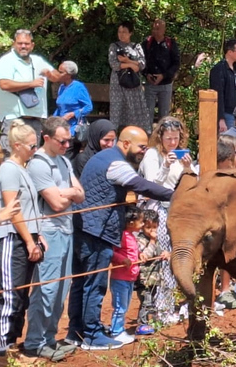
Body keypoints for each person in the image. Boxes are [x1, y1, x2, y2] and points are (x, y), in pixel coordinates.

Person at [67, 127, 174, 350]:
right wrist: (175, 195)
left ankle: (76, 331)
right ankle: (92, 335)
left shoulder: (104, 158)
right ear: (125, 143)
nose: (144, 152)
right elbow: (141, 185)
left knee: (81, 282)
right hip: (96, 230)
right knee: (93, 284)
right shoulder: (116, 163)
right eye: (141, 147)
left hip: (86, 226)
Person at [23, 116, 85, 360]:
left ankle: (49, 338)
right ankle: (34, 341)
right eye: (62, 141)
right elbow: (57, 204)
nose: (66, 145)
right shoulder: (39, 164)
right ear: (46, 138)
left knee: (61, 289)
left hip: (67, 230)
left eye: (69, 140)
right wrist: (69, 194)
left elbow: (81, 195)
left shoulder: (63, 161)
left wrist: (66, 192)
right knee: (46, 290)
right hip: (49, 231)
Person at [0, 120, 45, 366]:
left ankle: (13, 346)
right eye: (32, 146)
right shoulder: (10, 169)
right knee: (10, 296)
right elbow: (14, 211)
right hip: (11, 239)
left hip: (26, 237)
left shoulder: (22, 168)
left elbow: (29, 208)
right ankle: (2, 352)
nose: (35, 150)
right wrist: (29, 240)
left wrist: (37, 235)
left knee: (21, 296)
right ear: (17, 145)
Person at [138, 117, 193, 325]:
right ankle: (162, 309)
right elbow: (152, 185)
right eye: (169, 138)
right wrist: (166, 166)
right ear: (160, 137)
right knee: (163, 258)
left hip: (178, 210)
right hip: (157, 210)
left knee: (176, 255)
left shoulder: (182, 154)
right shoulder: (152, 155)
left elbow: (191, 181)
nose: (173, 143)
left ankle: (175, 305)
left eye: (176, 138)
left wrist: (188, 168)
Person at [0, 29, 62, 152]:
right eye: (20, 43)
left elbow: (57, 77)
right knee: (12, 157)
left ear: (32, 45)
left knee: (31, 159)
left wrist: (50, 74)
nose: (23, 46)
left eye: (26, 43)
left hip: (35, 119)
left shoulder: (38, 60)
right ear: (14, 44)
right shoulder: (6, 61)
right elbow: (4, 84)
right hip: (14, 119)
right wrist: (30, 84)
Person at [109, 206, 144, 344]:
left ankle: (118, 329)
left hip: (130, 278)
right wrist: (122, 260)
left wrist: (141, 255)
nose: (142, 225)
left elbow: (132, 252)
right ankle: (116, 331)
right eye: (140, 222)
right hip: (120, 278)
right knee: (120, 306)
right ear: (131, 223)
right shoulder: (122, 236)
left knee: (125, 305)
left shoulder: (131, 236)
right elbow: (112, 252)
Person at [109, 21, 151, 132]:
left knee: (135, 111)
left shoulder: (136, 46)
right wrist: (132, 64)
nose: (121, 34)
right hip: (118, 84)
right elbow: (114, 64)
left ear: (130, 33)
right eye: (119, 32)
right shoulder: (114, 46)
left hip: (134, 84)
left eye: (124, 32)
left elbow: (142, 65)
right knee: (117, 110)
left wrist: (127, 61)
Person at [135, 210, 168, 335]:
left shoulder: (156, 239)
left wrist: (165, 254)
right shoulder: (141, 240)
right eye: (148, 227)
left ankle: (152, 322)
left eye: (154, 227)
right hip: (144, 278)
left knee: (152, 301)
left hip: (154, 278)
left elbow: (159, 252)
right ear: (142, 226)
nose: (151, 230)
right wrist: (153, 242)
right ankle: (141, 324)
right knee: (146, 302)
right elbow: (145, 256)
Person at [142, 19, 180, 123]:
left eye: (158, 29)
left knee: (164, 116)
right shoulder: (147, 43)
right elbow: (140, 61)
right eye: (153, 28)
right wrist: (146, 74)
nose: (155, 31)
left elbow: (176, 63)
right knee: (147, 115)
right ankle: (148, 137)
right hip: (150, 84)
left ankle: (163, 137)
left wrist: (164, 76)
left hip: (165, 84)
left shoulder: (170, 43)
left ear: (164, 30)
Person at [209, 38, 236, 133]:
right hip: (227, 114)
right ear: (230, 52)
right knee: (227, 144)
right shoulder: (219, 69)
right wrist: (221, 119)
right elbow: (218, 95)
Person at [53, 61, 93, 143]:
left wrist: (73, 114)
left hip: (73, 128)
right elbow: (60, 107)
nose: (57, 74)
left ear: (69, 75)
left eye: (61, 72)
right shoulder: (62, 87)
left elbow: (88, 107)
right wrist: (52, 121)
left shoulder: (78, 87)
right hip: (61, 126)